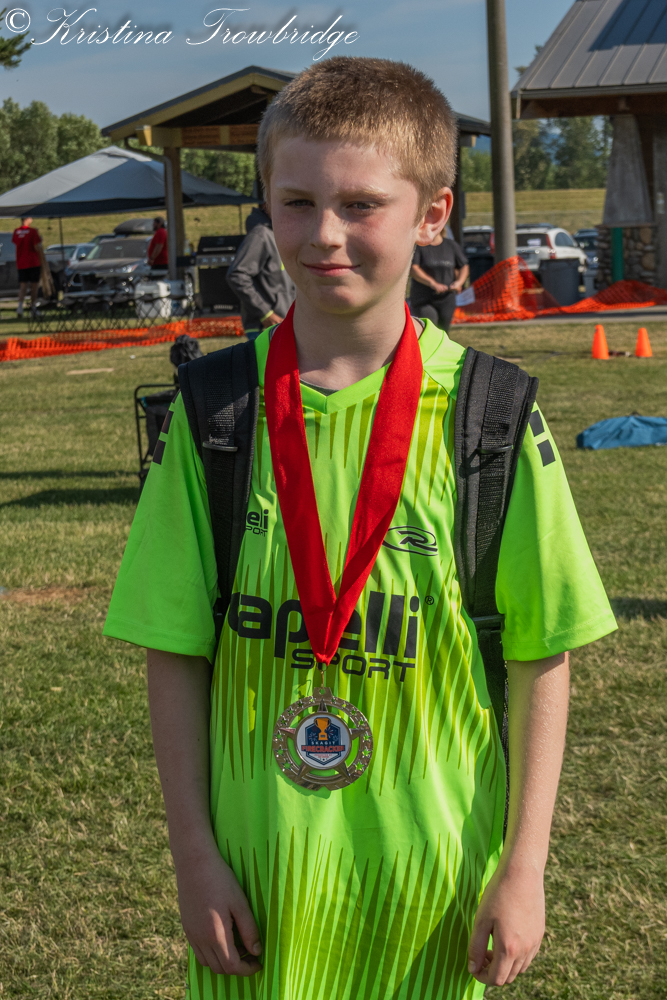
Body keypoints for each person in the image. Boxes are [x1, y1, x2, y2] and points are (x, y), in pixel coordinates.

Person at [103, 57, 617, 1000]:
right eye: (296, 203)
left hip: (434, 902)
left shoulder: (489, 418)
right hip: (261, 900)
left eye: (361, 205)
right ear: (266, 203)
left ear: (432, 214)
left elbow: (542, 653)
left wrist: (524, 866)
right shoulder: (216, 411)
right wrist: (194, 857)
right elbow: (173, 650)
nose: (325, 234)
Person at [225, 202, 295, 340]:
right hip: (264, 328)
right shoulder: (260, 234)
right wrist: (266, 314)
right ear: (267, 205)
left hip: (285, 325)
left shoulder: (283, 234)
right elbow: (237, 275)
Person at [410, 227, 469, 330]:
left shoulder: (451, 245)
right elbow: (413, 269)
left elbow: (464, 266)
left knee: (443, 331)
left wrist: (459, 282)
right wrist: (432, 283)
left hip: (447, 298)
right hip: (424, 299)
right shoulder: (419, 246)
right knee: (430, 326)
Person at [12, 215, 51, 318]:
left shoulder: (16, 231)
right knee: (34, 286)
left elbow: (16, 242)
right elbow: (36, 246)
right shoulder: (32, 231)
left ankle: (20, 307)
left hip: (21, 263)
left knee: (23, 286)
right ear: (27, 219)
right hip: (33, 262)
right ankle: (33, 307)